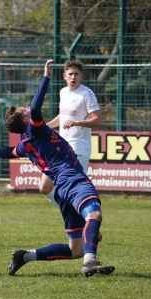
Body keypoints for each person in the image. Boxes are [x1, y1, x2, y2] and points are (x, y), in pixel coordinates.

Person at [0, 60, 114, 277]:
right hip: (70, 177)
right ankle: (90, 262)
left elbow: (8, 152)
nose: (27, 109)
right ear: (25, 120)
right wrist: (46, 76)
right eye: (24, 111)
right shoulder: (36, 128)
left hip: (60, 188)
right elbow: (36, 105)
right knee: (94, 214)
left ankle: (25, 256)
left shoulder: (24, 145)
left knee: (75, 248)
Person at [40, 60, 103, 206]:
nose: (73, 77)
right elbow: (64, 116)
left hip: (78, 148)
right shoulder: (63, 92)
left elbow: (98, 121)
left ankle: (84, 217)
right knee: (45, 187)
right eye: (70, 74)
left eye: (76, 74)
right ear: (64, 76)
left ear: (82, 76)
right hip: (60, 148)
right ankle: (76, 215)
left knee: (73, 189)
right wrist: (46, 127)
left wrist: (77, 122)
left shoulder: (86, 94)